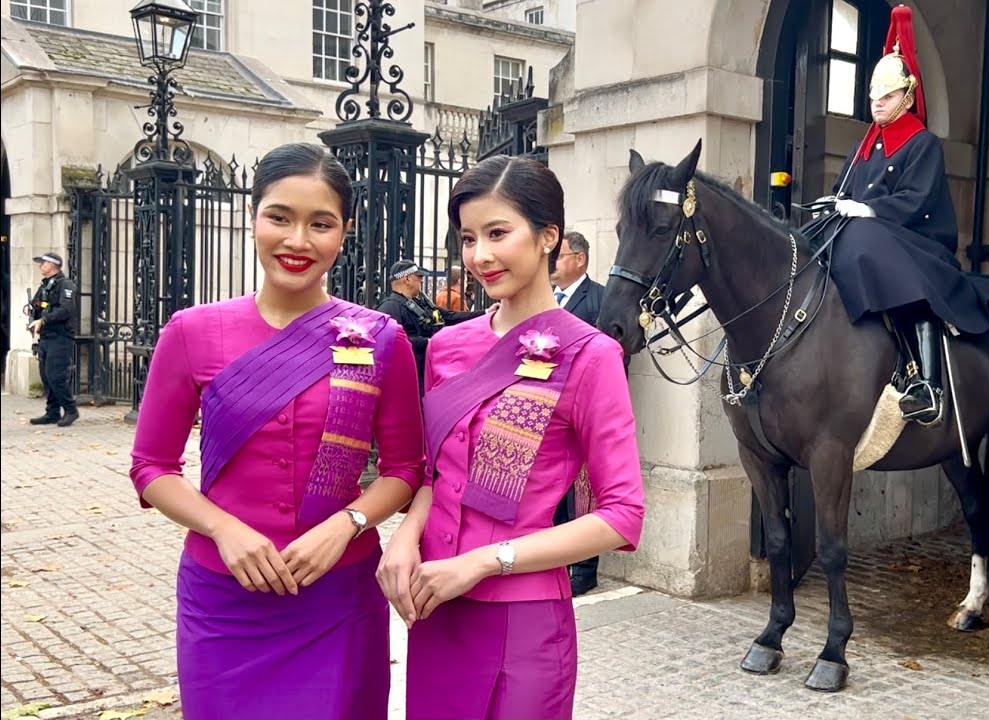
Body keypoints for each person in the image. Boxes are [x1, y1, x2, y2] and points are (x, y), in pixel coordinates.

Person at [128, 143, 424, 720]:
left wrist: (347, 523)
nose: (298, 241)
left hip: (338, 596)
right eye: (280, 217)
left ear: (345, 232)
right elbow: (151, 467)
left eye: (321, 224)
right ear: (253, 216)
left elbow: (406, 469)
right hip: (224, 599)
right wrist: (222, 528)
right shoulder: (192, 332)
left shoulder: (380, 338)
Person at [377, 155, 645, 720]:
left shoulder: (591, 356)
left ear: (548, 236)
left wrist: (482, 561)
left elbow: (622, 515)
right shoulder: (447, 347)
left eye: (498, 233)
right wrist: (404, 539)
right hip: (436, 601)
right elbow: (435, 473)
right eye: (468, 238)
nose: (480, 255)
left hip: (523, 617)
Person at [819, 4, 989, 426]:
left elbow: (917, 200)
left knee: (867, 244)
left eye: (888, 96)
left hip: (918, 240)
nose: (877, 104)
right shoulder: (864, 145)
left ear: (908, 97)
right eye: (874, 97)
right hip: (868, 235)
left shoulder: (922, 143)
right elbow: (843, 190)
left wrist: (869, 209)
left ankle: (927, 383)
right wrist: (832, 205)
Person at [548, 230, 607, 596]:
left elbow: (613, 356)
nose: (552, 264)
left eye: (559, 256)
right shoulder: (545, 300)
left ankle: (585, 569)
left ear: (580, 259)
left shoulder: (600, 299)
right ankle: (555, 558)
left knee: (583, 493)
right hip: (547, 411)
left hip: (584, 411)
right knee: (553, 489)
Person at [376, 259, 482, 395]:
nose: (421, 280)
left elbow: (449, 316)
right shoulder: (390, 307)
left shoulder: (420, 303)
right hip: (409, 377)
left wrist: (485, 313)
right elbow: (393, 341)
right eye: (419, 276)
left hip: (426, 371)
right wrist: (429, 342)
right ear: (407, 279)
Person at [27, 252, 78, 427]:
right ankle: (52, 412)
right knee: (46, 377)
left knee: (56, 376)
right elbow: (37, 304)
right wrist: (30, 311)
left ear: (52, 265)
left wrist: (43, 320)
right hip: (46, 337)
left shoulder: (66, 285)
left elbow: (66, 309)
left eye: (43, 263)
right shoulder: (45, 285)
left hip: (60, 337)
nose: (40, 266)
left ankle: (71, 410)